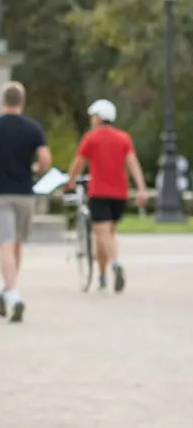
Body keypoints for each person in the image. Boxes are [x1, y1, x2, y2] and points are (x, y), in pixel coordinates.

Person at [0, 81, 52, 322]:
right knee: (16, 244)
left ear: (3, 101)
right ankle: (6, 289)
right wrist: (35, 168)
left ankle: (13, 293)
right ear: (22, 101)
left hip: (0, 193)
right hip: (25, 193)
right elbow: (45, 159)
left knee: (5, 244)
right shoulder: (33, 128)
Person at [63, 99, 148, 292]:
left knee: (102, 234)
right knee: (107, 235)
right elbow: (133, 163)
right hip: (120, 194)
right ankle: (101, 276)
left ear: (99, 118)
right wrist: (141, 188)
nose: (92, 120)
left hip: (99, 192)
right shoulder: (123, 138)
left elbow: (79, 163)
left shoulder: (91, 138)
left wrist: (70, 183)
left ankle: (116, 265)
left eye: (93, 116)